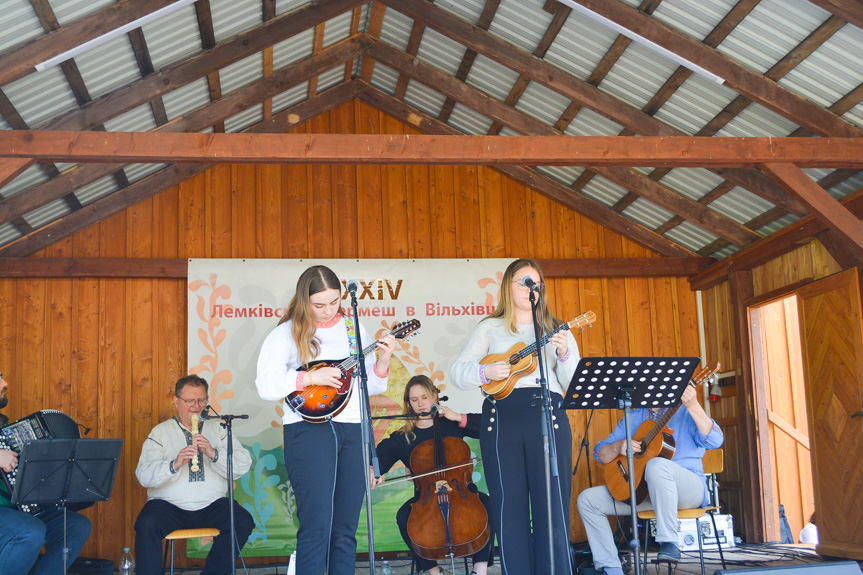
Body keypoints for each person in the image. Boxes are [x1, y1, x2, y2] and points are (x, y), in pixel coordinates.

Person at [255, 264, 396, 575]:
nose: (328, 309)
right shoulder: (286, 333)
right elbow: (265, 384)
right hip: (309, 432)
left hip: (353, 429)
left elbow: (369, 387)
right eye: (319, 304)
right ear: (305, 300)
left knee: (345, 529)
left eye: (334, 301)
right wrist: (308, 377)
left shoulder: (353, 329)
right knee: (317, 525)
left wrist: (383, 360)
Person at [450, 258, 579, 575]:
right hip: (503, 421)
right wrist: (486, 371)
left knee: (553, 509)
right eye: (525, 282)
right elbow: (457, 372)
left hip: (548, 417)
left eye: (537, 284)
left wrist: (563, 354)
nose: (531, 289)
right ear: (508, 286)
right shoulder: (490, 328)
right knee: (510, 509)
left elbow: (574, 384)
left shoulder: (556, 329)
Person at [576, 384, 724, 575]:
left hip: (688, 490)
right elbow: (600, 453)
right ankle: (611, 569)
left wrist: (693, 405)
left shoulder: (685, 412)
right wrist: (617, 447)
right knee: (588, 499)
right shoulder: (634, 417)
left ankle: (668, 541)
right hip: (647, 493)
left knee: (656, 465)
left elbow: (715, 441)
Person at [372, 375, 494, 575]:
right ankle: (434, 571)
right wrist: (373, 470)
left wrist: (459, 417)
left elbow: (489, 427)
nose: (420, 403)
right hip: (426, 500)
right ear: (408, 404)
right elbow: (379, 456)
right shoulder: (404, 437)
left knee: (488, 504)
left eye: (425, 397)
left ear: (435, 396)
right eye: (414, 400)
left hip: (463, 495)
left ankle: (479, 570)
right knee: (404, 516)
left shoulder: (450, 423)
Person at [134, 374, 254, 575]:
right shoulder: (160, 433)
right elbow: (144, 476)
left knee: (242, 521)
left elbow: (243, 465)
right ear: (176, 401)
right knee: (146, 524)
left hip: (212, 504)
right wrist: (174, 464)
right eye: (190, 401)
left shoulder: (220, 428)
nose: (196, 406)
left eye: (201, 400)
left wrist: (213, 453)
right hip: (168, 506)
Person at [0, 371, 92, 574]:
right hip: (9, 514)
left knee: (76, 527)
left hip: (18, 509)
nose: (5, 382)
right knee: (30, 530)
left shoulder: (4, 424)